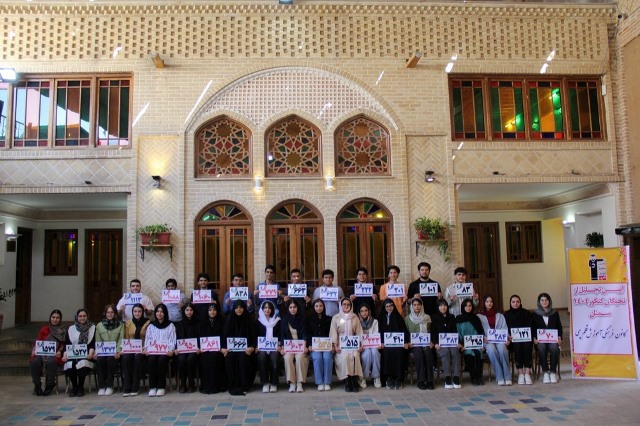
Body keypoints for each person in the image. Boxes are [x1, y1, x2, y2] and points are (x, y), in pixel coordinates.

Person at [222, 299, 257, 396]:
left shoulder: (249, 320)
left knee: (243, 358)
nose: (239, 310)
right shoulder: (229, 320)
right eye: (236, 308)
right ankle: (233, 384)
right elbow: (224, 337)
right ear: (233, 309)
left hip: (246, 350)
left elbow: (254, 337)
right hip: (232, 350)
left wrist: (252, 347)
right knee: (229, 358)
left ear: (244, 308)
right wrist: (223, 348)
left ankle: (244, 385)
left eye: (241, 307)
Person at [477, 295, 512, 386]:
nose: (489, 303)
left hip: (499, 340)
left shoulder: (500, 315)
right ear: (484, 303)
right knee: (491, 350)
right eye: (487, 301)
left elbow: (504, 328)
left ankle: (507, 376)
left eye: (491, 301)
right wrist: (482, 337)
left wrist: (506, 338)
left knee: (502, 350)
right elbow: (478, 331)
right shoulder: (479, 316)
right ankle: (499, 376)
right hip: (487, 341)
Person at [330, 297, 363, 392]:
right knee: (345, 357)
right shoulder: (336, 317)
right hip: (341, 344)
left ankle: (354, 380)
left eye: (348, 304)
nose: (346, 306)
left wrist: (360, 344)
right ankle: (348, 380)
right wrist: (335, 346)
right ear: (341, 306)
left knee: (355, 355)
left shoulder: (355, 317)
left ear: (351, 306)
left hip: (353, 343)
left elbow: (359, 332)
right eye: (344, 304)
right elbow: (333, 333)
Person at [30, 309, 66, 396]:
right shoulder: (44, 329)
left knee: (51, 362)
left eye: (57, 318)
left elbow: (64, 344)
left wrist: (59, 351)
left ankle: (50, 384)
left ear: (60, 319)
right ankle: (37, 385)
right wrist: (34, 350)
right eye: (53, 317)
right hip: (42, 353)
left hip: (55, 354)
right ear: (50, 318)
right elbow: (38, 341)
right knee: (35, 362)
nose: (55, 319)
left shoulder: (63, 330)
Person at [144, 303, 176, 397]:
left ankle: (161, 386)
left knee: (162, 360)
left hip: (166, 352)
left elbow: (172, 340)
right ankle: (152, 387)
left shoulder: (170, 325)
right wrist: (146, 349)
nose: (159, 313)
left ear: (165, 313)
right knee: (151, 360)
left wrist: (171, 350)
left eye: (162, 312)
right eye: (157, 311)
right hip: (153, 352)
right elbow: (148, 339)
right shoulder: (151, 325)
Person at [62, 308, 96, 397]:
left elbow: (93, 344)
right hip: (73, 354)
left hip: (87, 355)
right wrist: (65, 355)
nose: (82, 318)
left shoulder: (93, 328)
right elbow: (67, 344)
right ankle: (74, 387)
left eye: (84, 316)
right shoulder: (71, 329)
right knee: (70, 364)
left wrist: (91, 354)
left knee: (82, 363)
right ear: (77, 317)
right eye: (80, 316)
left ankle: (81, 387)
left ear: (87, 316)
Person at [378, 298, 409, 390]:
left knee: (400, 352)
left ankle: (399, 379)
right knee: (386, 353)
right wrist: (381, 342)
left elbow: (404, 331)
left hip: (398, 345)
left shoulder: (398, 317)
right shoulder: (381, 318)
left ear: (393, 306)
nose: (389, 308)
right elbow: (378, 332)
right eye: (387, 306)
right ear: (384, 308)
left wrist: (405, 342)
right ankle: (389, 378)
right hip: (385, 345)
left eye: (391, 306)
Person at [404, 298, 434, 390]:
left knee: (428, 353)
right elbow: (406, 333)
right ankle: (420, 381)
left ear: (421, 306)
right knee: (419, 353)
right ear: (412, 306)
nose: (416, 307)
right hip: (413, 345)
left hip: (426, 343)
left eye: (418, 305)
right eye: (414, 305)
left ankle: (429, 381)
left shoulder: (427, 317)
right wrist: (408, 343)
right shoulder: (407, 319)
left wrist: (431, 342)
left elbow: (430, 331)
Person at [532, 292, 562, 384]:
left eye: (546, 300)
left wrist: (560, 337)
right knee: (541, 347)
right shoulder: (535, 313)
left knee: (554, 347)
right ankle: (545, 372)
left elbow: (559, 326)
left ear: (549, 301)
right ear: (539, 302)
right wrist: (534, 338)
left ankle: (552, 372)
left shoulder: (555, 313)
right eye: (542, 300)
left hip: (552, 339)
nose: (544, 302)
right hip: (540, 340)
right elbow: (532, 327)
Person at [280, 299, 309, 392]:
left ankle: (300, 383)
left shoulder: (303, 319)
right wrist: (283, 348)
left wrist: (304, 347)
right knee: (287, 358)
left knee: (300, 358)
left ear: (298, 308)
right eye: (291, 307)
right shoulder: (284, 319)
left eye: (294, 307)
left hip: (300, 346)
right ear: (288, 308)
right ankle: (292, 383)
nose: (293, 309)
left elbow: (305, 334)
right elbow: (283, 336)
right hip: (289, 347)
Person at [504, 294, 534, 385]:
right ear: (510, 303)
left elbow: (531, 326)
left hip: (526, 339)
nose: (515, 304)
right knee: (517, 347)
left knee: (527, 345)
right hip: (513, 340)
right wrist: (508, 336)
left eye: (517, 302)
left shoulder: (527, 313)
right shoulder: (506, 315)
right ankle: (520, 373)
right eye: (513, 302)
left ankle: (527, 373)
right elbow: (505, 328)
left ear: (520, 303)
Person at [431, 299, 461, 389]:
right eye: (440, 306)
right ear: (438, 307)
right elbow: (433, 332)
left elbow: (455, 331)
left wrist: (457, 342)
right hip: (440, 344)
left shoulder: (451, 317)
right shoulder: (434, 318)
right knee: (445, 352)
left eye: (445, 305)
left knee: (455, 351)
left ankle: (456, 377)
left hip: (451, 343)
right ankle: (447, 377)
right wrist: (435, 343)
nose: (443, 307)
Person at [95, 304, 124, 396]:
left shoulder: (121, 325)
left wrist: (118, 351)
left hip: (115, 353)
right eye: (108, 312)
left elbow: (121, 340)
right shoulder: (99, 325)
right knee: (100, 360)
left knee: (110, 359)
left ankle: (110, 385)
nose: (110, 314)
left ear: (115, 313)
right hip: (102, 352)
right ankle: (102, 386)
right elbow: (98, 340)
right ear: (105, 313)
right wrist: (98, 352)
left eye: (112, 312)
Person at [121, 303, 149, 397]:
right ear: (132, 312)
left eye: (139, 311)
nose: (137, 313)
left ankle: (135, 387)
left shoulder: (148, 323)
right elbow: (126, 338)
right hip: (130, 349)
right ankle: (127, 387)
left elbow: (149, 338)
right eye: (135, 311)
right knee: (126, 358)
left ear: (142, 312)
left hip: (143, 350)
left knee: (137, 359)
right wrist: (125, 349)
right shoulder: (128, 323)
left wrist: (144, 348)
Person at [456, 298, 485, 386]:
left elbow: (481, 332)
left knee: (479, 354)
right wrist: (461, 345)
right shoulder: (459, 319)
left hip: (477, 345)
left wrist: (482, 344)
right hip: (465, 346)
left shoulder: (476, 318)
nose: (468, 308)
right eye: (466, 306)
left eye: (470, 306)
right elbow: (457, 333)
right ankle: (473, 378)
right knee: (470, 354)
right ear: (463, 307)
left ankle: (479, 377)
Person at [306, 299, 334, 391]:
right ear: (314, 307)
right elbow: (308, 333)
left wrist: (332, 345)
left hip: (326, 346)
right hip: (314, 347)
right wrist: (309, 345)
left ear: (323, 307)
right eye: (316, 306)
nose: (319, 308)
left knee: (327, 358)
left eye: (321, 306)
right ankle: (320, 382)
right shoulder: (309, 319)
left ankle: (327, 382)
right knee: (317, 358)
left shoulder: (329, 319)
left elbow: (332, 333)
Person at [199, 302, 226, 394]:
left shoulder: (222, 322)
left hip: (218, 350)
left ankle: (217, 385)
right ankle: (206, 385)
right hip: (205, 350)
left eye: (214, 310)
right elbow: (200, 337)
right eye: (210, 310)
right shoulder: (203, 322)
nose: (212, 312)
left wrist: (221, 347)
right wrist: (201, 347)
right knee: (204, 359)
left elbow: (224, 336)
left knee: (215, 358)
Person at [256, 300, 281, 393]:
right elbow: (255, 335)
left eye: (269, 308)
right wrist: (256, 346)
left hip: (274, 347)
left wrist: (279, 344)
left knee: (274, 357)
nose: (267, 310)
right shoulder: (258, 321)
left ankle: (274, 383)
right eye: (265, 308)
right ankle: (265, 383)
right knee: (261, 356)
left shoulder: (277, 321)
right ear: (262, 309)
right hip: (262, 348)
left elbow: (280, 335)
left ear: (272, 309)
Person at [174, 302, 200, 393]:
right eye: (187, 310)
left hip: (194, 350)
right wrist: (176, 348)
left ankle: (191, 384)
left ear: (193, 311)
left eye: (191, 310)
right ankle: (183, 384)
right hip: (182, 350)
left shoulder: (198, 323)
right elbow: (176, 338)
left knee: (190, 359)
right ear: (183, 311)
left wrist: (199, 347)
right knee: (181, 360)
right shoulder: (179, 324)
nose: (189, 312)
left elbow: (200, 337)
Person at [358, 304, 381, 389]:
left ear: (369, 311)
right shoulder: (357, 322)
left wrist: (376, 344)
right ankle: (364, 377)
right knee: (367, 353)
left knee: (375, 352)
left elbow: (376, 334)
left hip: (373, 344)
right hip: (363, 346)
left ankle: (376, 377)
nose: (364, 313)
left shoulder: (374, 321)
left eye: (366, 310)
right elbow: (357, 335)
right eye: (362, 311)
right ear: (359, 313)